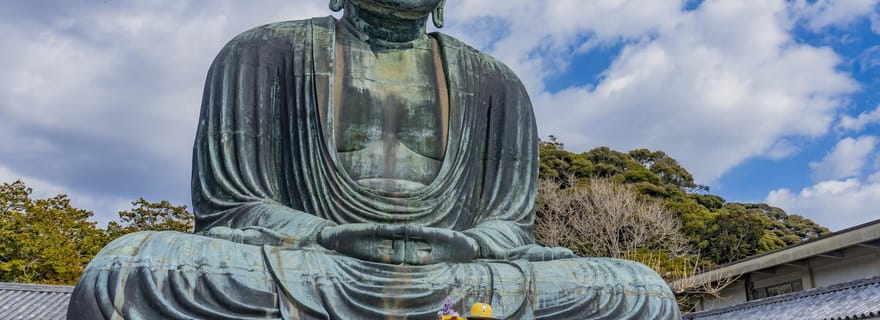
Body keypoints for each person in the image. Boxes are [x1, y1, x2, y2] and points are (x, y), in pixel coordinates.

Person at [67, 0, 681, 318]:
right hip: (314, 269)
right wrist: (329, 234)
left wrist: (464, 245)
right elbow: (233, 207)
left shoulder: (497, 83)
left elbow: (509, 224)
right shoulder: (261, 53)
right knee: (128, 271)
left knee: (641, 292)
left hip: (460, 278)